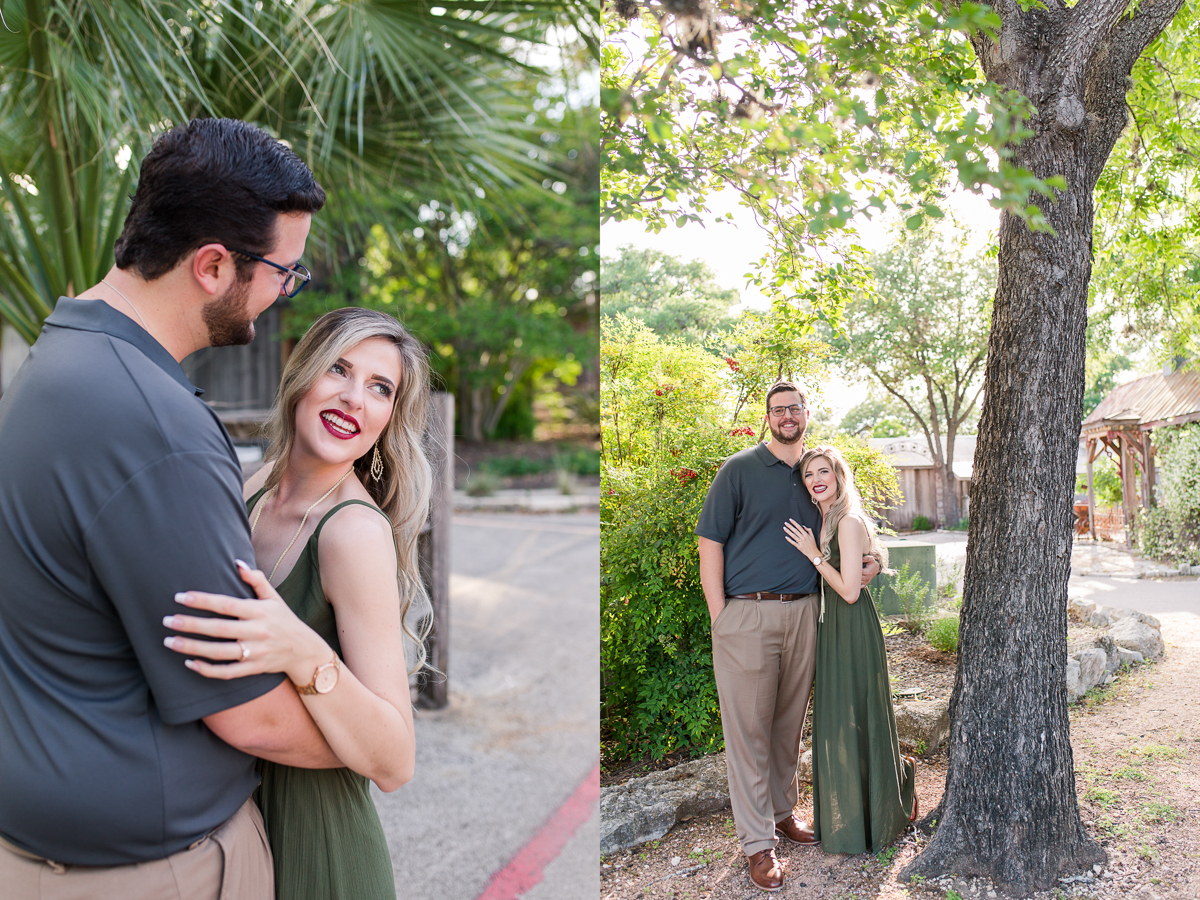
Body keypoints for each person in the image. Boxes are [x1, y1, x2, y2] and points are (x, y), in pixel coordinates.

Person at [0, 117, 339, 898]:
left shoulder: (60, 357)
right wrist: (381, 740)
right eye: (285, 271)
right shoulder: (154, 427)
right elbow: (248, 713)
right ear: (215, 266)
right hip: (154, 873)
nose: (287, 289)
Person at [163, 307, 432, 900]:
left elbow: (396, 760)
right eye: (339, 369)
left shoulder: (353, 532)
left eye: (379, 388)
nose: (354, 398)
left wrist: (301, 649)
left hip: (316, 848)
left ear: (389, 417)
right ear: (302, 371)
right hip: (232, 826)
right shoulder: (253, 487)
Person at [695, 383, 879, 892]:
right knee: (748, 734)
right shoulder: (739, 469)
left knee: (786, 728)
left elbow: (853, 525)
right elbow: (709, 543)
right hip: (747, 616)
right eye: (778, 410)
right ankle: (757, 846)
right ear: (768, 417)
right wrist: (721, 618)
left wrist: (874, 562)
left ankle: (781, 814)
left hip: (806, 615)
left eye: (795, 408)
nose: (787, 416)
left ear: (806, 414)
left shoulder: (816, 473)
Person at [784, 445, 918, 855]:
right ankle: (856, 811)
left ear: (839, 476)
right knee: (840, 715)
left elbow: (847, 592)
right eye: (809, 474)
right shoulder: (823, 516)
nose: (816, 479)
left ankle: (887, 804)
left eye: (824, 471)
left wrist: (813, 556)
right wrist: (873, 558)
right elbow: (868, 556)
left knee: (857, 712)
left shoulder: (846, 519)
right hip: (832, 629)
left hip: (851, 624)